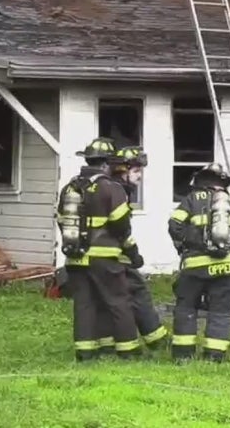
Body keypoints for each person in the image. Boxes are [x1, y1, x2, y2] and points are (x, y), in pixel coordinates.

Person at [55, 137, 142, 361]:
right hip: (104, 258)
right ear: (105, 164)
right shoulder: (111, 188)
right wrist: (133, 254)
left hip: (75, 257)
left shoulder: (70, 188)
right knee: (118, 301)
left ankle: (86, 352)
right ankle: (128, 351)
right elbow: (121, 225)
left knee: (84, 304)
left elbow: (61, 219)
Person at [167, 163, 230, 363]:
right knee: (221, 312)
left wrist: (189, 245)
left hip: (196, 269)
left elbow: (174, 226)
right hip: (229, 269)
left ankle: (183, 356)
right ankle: (214, 356)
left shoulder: (190, 200)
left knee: (186, 308)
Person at [94, 147, 168, 355]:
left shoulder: (109, 188)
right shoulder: (117, 191)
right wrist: (134, 255)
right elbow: (121, 230)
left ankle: (108, 344)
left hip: (102, 255)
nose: (140, 176)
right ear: (122, 170)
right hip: (115, 254)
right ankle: (155, 339)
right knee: (137, 292)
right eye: (136, 171)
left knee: (109, 300)